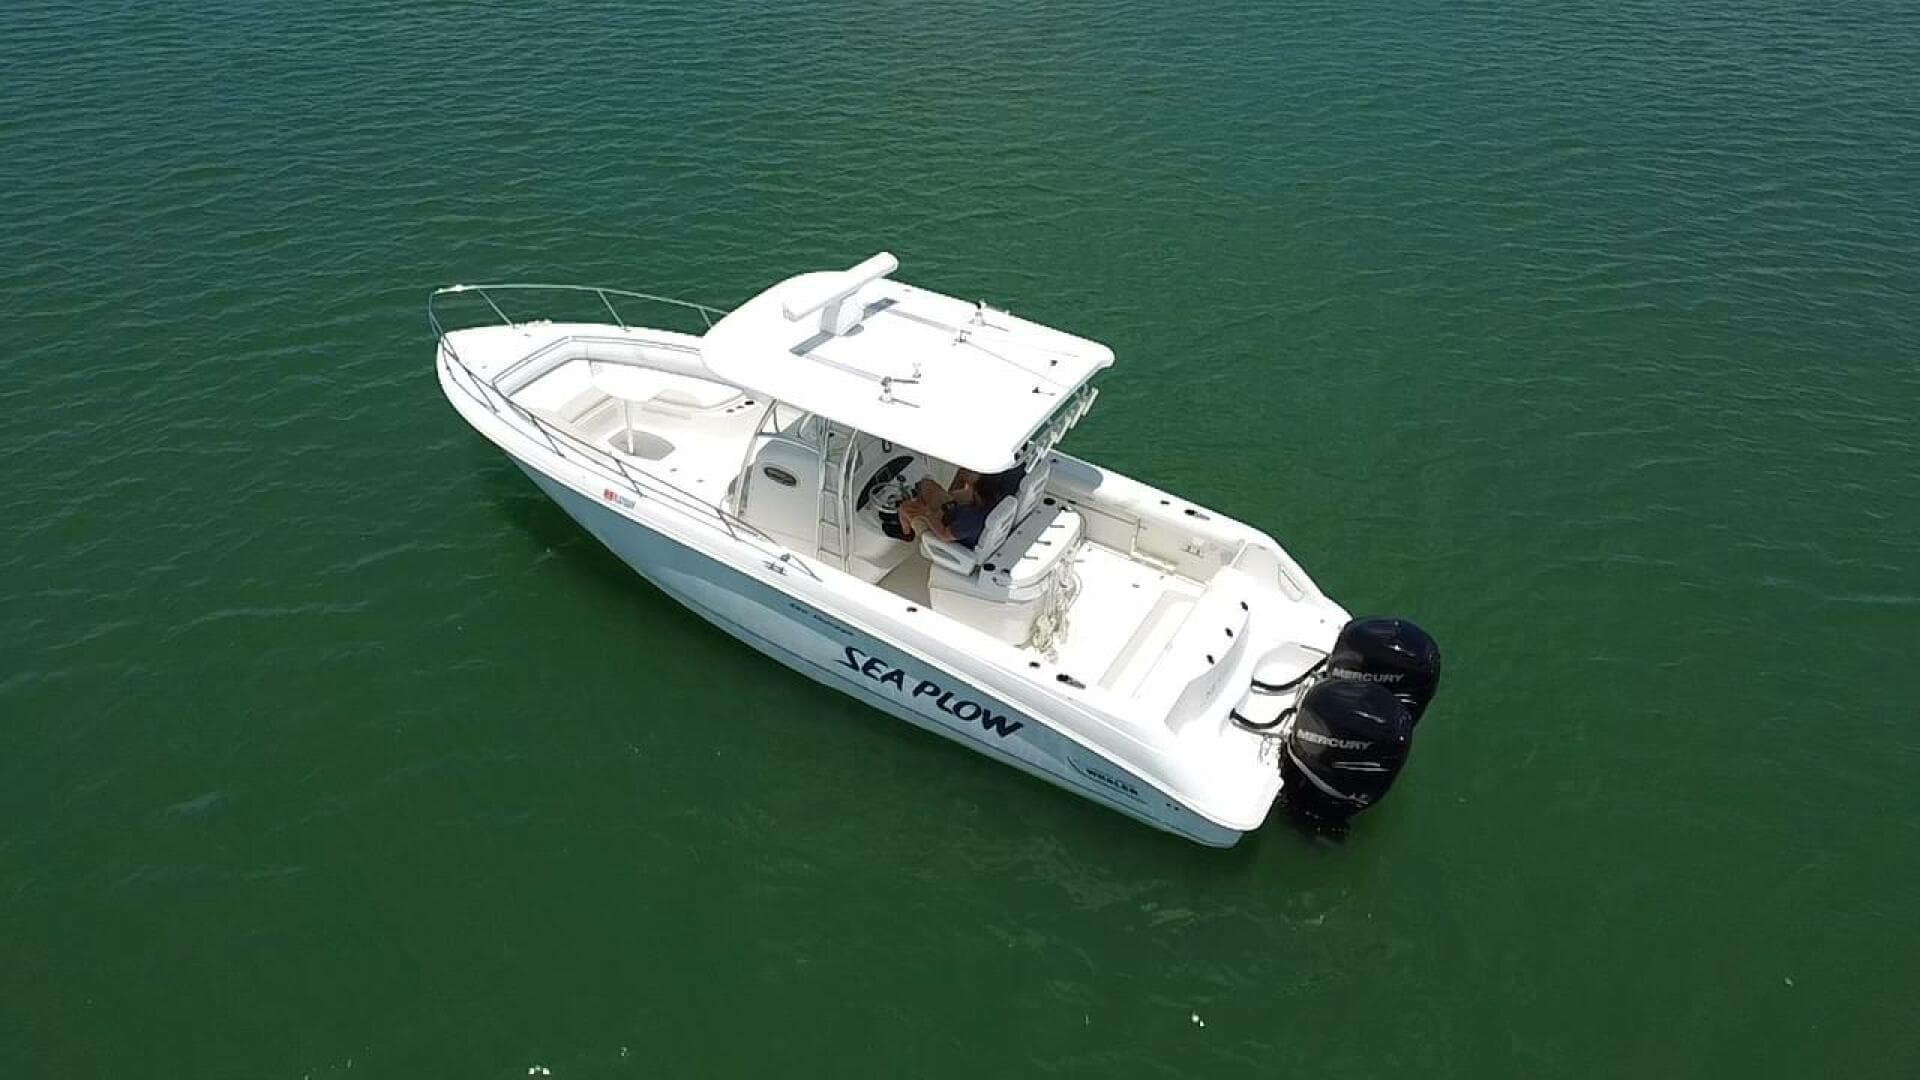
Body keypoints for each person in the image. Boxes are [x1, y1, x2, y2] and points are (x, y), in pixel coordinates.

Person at [895, 464, 1026, 549]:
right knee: (928, 485)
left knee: (907, 505)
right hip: (954, 511)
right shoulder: (993, 502)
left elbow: (944, 535)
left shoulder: (970, 520)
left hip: (944, 523)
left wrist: (927, 514)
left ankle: (906, 533)